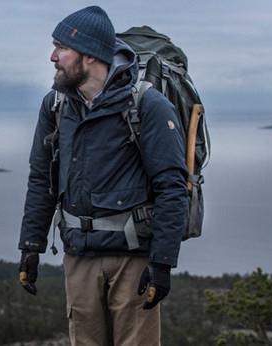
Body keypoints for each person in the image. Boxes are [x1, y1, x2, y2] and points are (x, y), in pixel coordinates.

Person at [17, 6, 189, 345]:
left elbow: (172, 187)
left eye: (61, 47)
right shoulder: (56, 106)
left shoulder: (147, 105)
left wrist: (163, 263)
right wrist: (31, 246)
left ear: (91, 55)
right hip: (78, 255)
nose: (53, 57)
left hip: (133, 260)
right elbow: (41, 179)